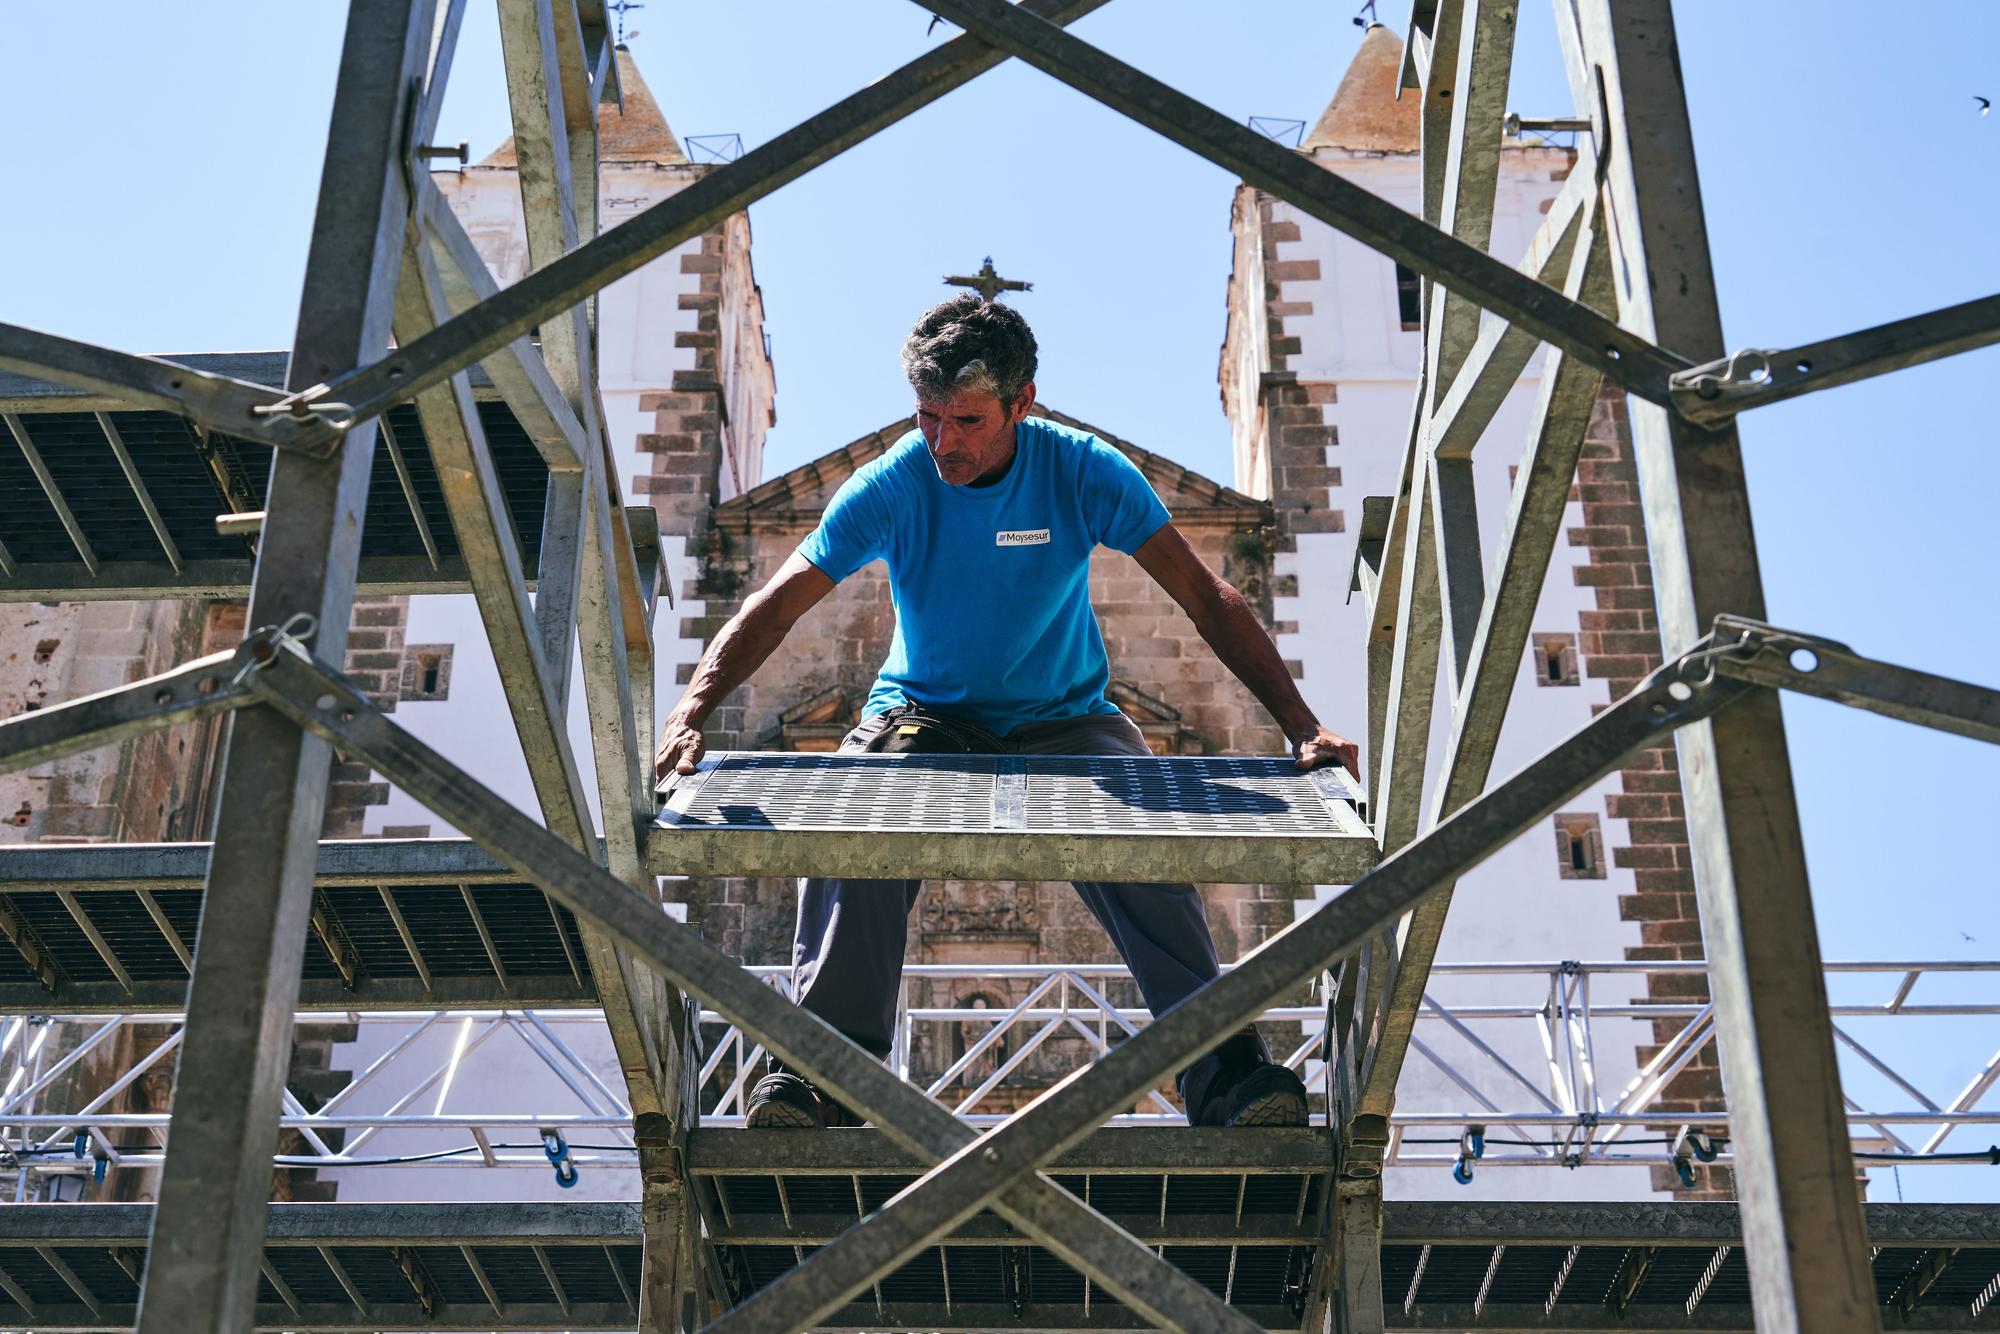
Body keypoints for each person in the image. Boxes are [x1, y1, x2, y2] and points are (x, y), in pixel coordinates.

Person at [654, 294, 1360, 1130]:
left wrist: (1301, 726)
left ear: (1023, 404)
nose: (944, 442)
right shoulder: (896, 482)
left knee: (1156, 842)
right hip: (925, 713)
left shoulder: (1084, 470)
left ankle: (1222, 1073)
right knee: (851, 811)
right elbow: (776, 605)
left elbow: (1208, 598)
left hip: (1065, 715)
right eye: (927, 417)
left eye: (967, 420)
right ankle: (824, 1075)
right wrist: (691, 712)